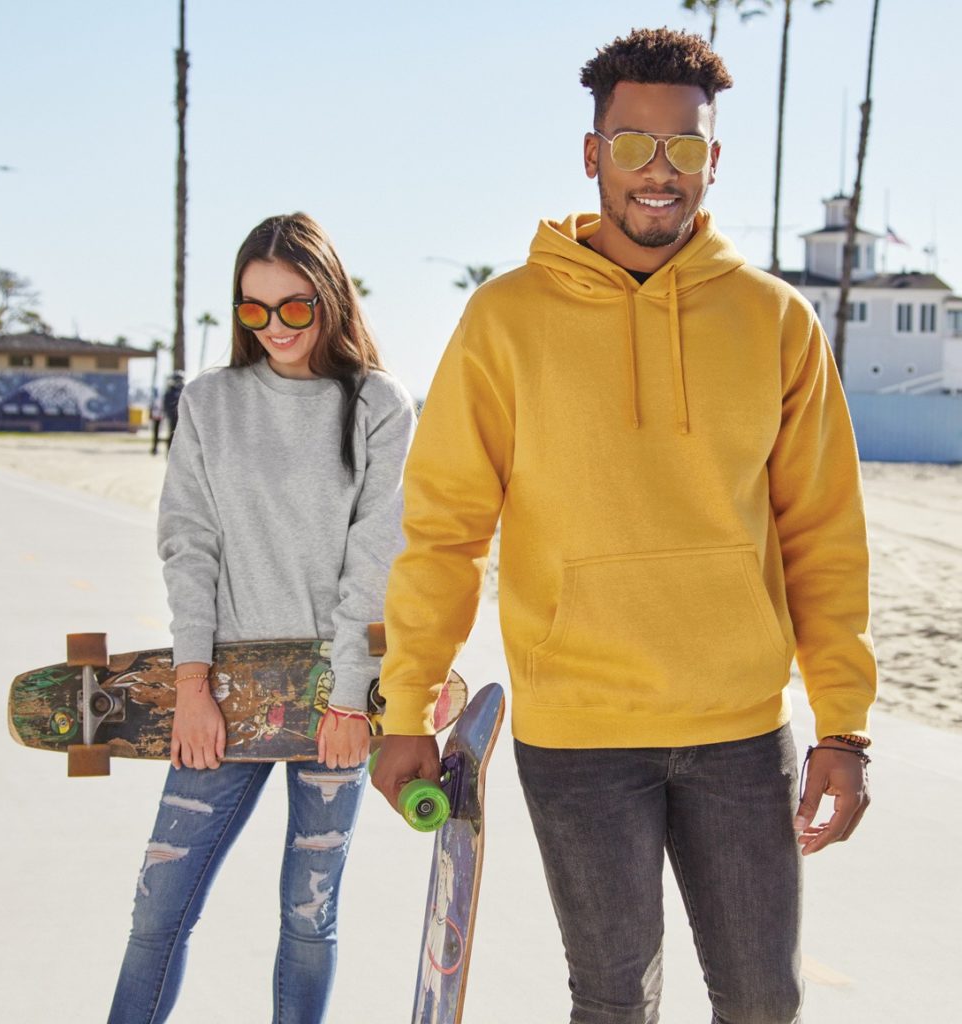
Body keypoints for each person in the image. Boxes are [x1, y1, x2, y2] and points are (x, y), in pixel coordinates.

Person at [372, 28, 876, 1023]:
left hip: (740, 728)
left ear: (714, 161)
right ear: (592, 151)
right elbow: (444, 531)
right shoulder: (506, 319)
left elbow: (822, 531)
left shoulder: (775, 322)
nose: (660, 172)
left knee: (765, 1000)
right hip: (580, 734)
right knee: (611, 999)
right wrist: (403, 709)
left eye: (684, 148)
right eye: (634, 144)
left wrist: (845, 727)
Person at [108, 212, 417, 1024]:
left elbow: (374, 564)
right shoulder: (210, 401)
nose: (274, 326)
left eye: (293, 307)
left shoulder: (378, 406)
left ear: (331, 299)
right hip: (225, 695)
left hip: (334, 701)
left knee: (309, 919)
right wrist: (191, 684)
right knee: (158, 912)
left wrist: (352, 698)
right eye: (254, 309)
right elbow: (189, 545)